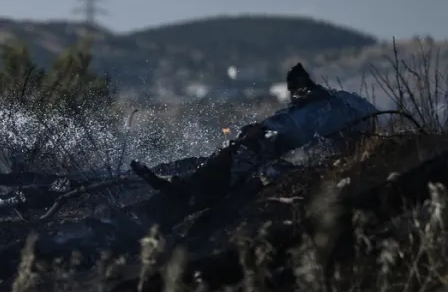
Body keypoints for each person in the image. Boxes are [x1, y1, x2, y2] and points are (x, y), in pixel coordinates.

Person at [131, 62, 380, 214]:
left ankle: (181, 188)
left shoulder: (322, 107)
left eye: (297, 90)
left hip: (273, 151)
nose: (294, 95)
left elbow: (285, 132)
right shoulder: (332, 104)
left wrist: (257, 133)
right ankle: (179, 185)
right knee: (219, 165)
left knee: (225, 171)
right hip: (273, 149)